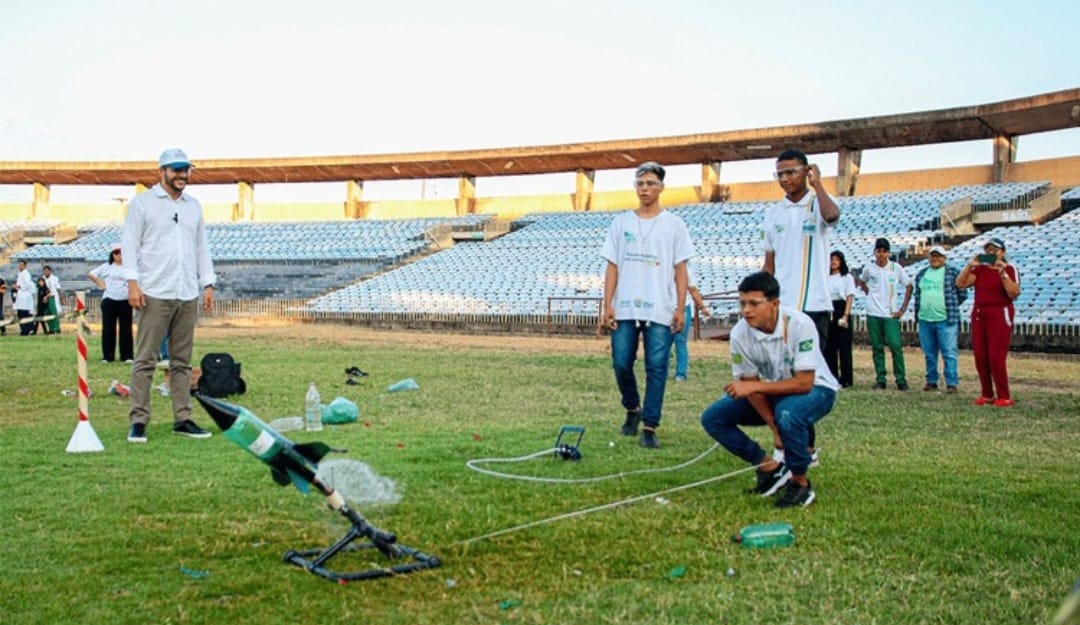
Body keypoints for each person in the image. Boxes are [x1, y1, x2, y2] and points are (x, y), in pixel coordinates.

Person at [700, 271, 838, 508]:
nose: (746, 310)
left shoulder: (800, 325)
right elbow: (750, 386)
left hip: (817, 390)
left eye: (754, 303)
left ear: (774, 304)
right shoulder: (739, 334)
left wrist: (757, 391)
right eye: (742, 303)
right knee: (713, 418)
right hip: (775, 392)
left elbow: (804, 382)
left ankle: (800, 484)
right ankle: (769, 468)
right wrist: (773, 427)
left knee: (788, 414)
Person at [121, 148, 217, 443]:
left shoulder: (193, 206)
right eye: (176, 170)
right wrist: (133, 283)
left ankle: (183, 418)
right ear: (161, 171)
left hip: (186, 291)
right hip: (155, 291)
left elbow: (201, 246)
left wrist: (208, 283)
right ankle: (138, 420)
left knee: (182, 361)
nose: (182, 176)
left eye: (185, 170)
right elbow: (129, 244)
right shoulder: (143, 204)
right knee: (145, 359)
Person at [602, 161, 695, 449]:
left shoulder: (675, 225)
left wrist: (680, 307)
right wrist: (607, 304)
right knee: (621, 362)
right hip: (626, 306)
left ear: (661, 187)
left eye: (651, 183)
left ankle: (650, 426)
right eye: (640, 183)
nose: (645, 189)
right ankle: (632, 408)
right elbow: (612, 266)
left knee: (657, 366)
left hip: (660, 307)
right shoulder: (621, 223)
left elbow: (681, 270)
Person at [955, 236, 1020, 407]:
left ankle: (1004, 395)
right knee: (980, 355)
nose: (990, 253)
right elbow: (960, 283)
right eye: (988, 250)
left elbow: (1013, 292)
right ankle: (987, 393)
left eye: (994, 250)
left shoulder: (1010, 269)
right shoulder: (980, 270)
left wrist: (1002, 272)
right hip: (980, 313)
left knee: (996, 356)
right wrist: (970, 265)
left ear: (1002, 252)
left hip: (999, 312)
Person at [857, 238, 912, 390]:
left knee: (895, 346)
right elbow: (862, 281)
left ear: (888, 253)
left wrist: (902, 308)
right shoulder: (869, 268)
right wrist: (868, 293)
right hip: (873, 313)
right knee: (877, 347)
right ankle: (881, 378)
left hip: (890, 314)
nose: (881, 255)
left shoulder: (896, 268)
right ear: (875, 252)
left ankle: (901, 379)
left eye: (884, 251)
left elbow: (908, 285)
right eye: (878, 251)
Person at [913, 246, 966, 393]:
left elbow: (962, 294)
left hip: (945, 319)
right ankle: (931, 381)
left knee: (949, 352)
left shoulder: (953, 273)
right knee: (929, 353)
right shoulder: (921, 274)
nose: (935, 259)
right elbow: (918, 294)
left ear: (944, 258)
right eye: (933, 256)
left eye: (938, 256)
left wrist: (951, 306)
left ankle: (951, 383)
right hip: (925, 319)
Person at [88, 247, 134, 363]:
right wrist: (101, 284)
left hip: (124, 300)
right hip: (110, 299)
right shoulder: (106, 267)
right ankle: (108, 356)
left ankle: (127, 355)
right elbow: (92, 274)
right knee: (108, 328)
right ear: (113, 255)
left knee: (126, 329)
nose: (120, 256)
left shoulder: (129, 268)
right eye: (117, 254)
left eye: (122, 253)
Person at [824, 250, 856, 387]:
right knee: (830, 347)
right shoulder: (825, 277)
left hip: (842, 309)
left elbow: (850, 296)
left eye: (836, 259)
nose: (834, 262)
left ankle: (846, 379)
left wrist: (845, 315)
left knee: (844, 347)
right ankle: (832, 377)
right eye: (831, 259)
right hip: (829, 309)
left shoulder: (847, 277)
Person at [671, 274, 710, 381]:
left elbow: (693, 290)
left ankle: (681, 373)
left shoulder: (685, 271)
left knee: (680, 341)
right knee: (664, 342)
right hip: (665, 307)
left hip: (682, 308)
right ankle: (660, 372)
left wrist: (702, 307)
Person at [13, 260, 35, 336]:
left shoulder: (26, 274)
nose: (20, 267)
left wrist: (18, 286)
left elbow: (26, 284)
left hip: (25, 297)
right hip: (20, 296)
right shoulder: (20, 274)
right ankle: (23, 329)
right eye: (19, 265)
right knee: (20, 314)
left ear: (25, 266)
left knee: (25, 314)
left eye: (21, 265)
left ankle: (28, 329)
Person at [42, 265, 62, 334]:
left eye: (47, 271)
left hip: (53, 298)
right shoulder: (43, 279)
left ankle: (57, 328)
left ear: (50, 271)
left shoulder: (54, 278)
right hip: (45, 298)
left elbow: (58, 288)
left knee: (54, 314)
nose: (46, 272)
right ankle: (51, 328)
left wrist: (61, 297)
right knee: (46, 313)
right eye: (44, 271)